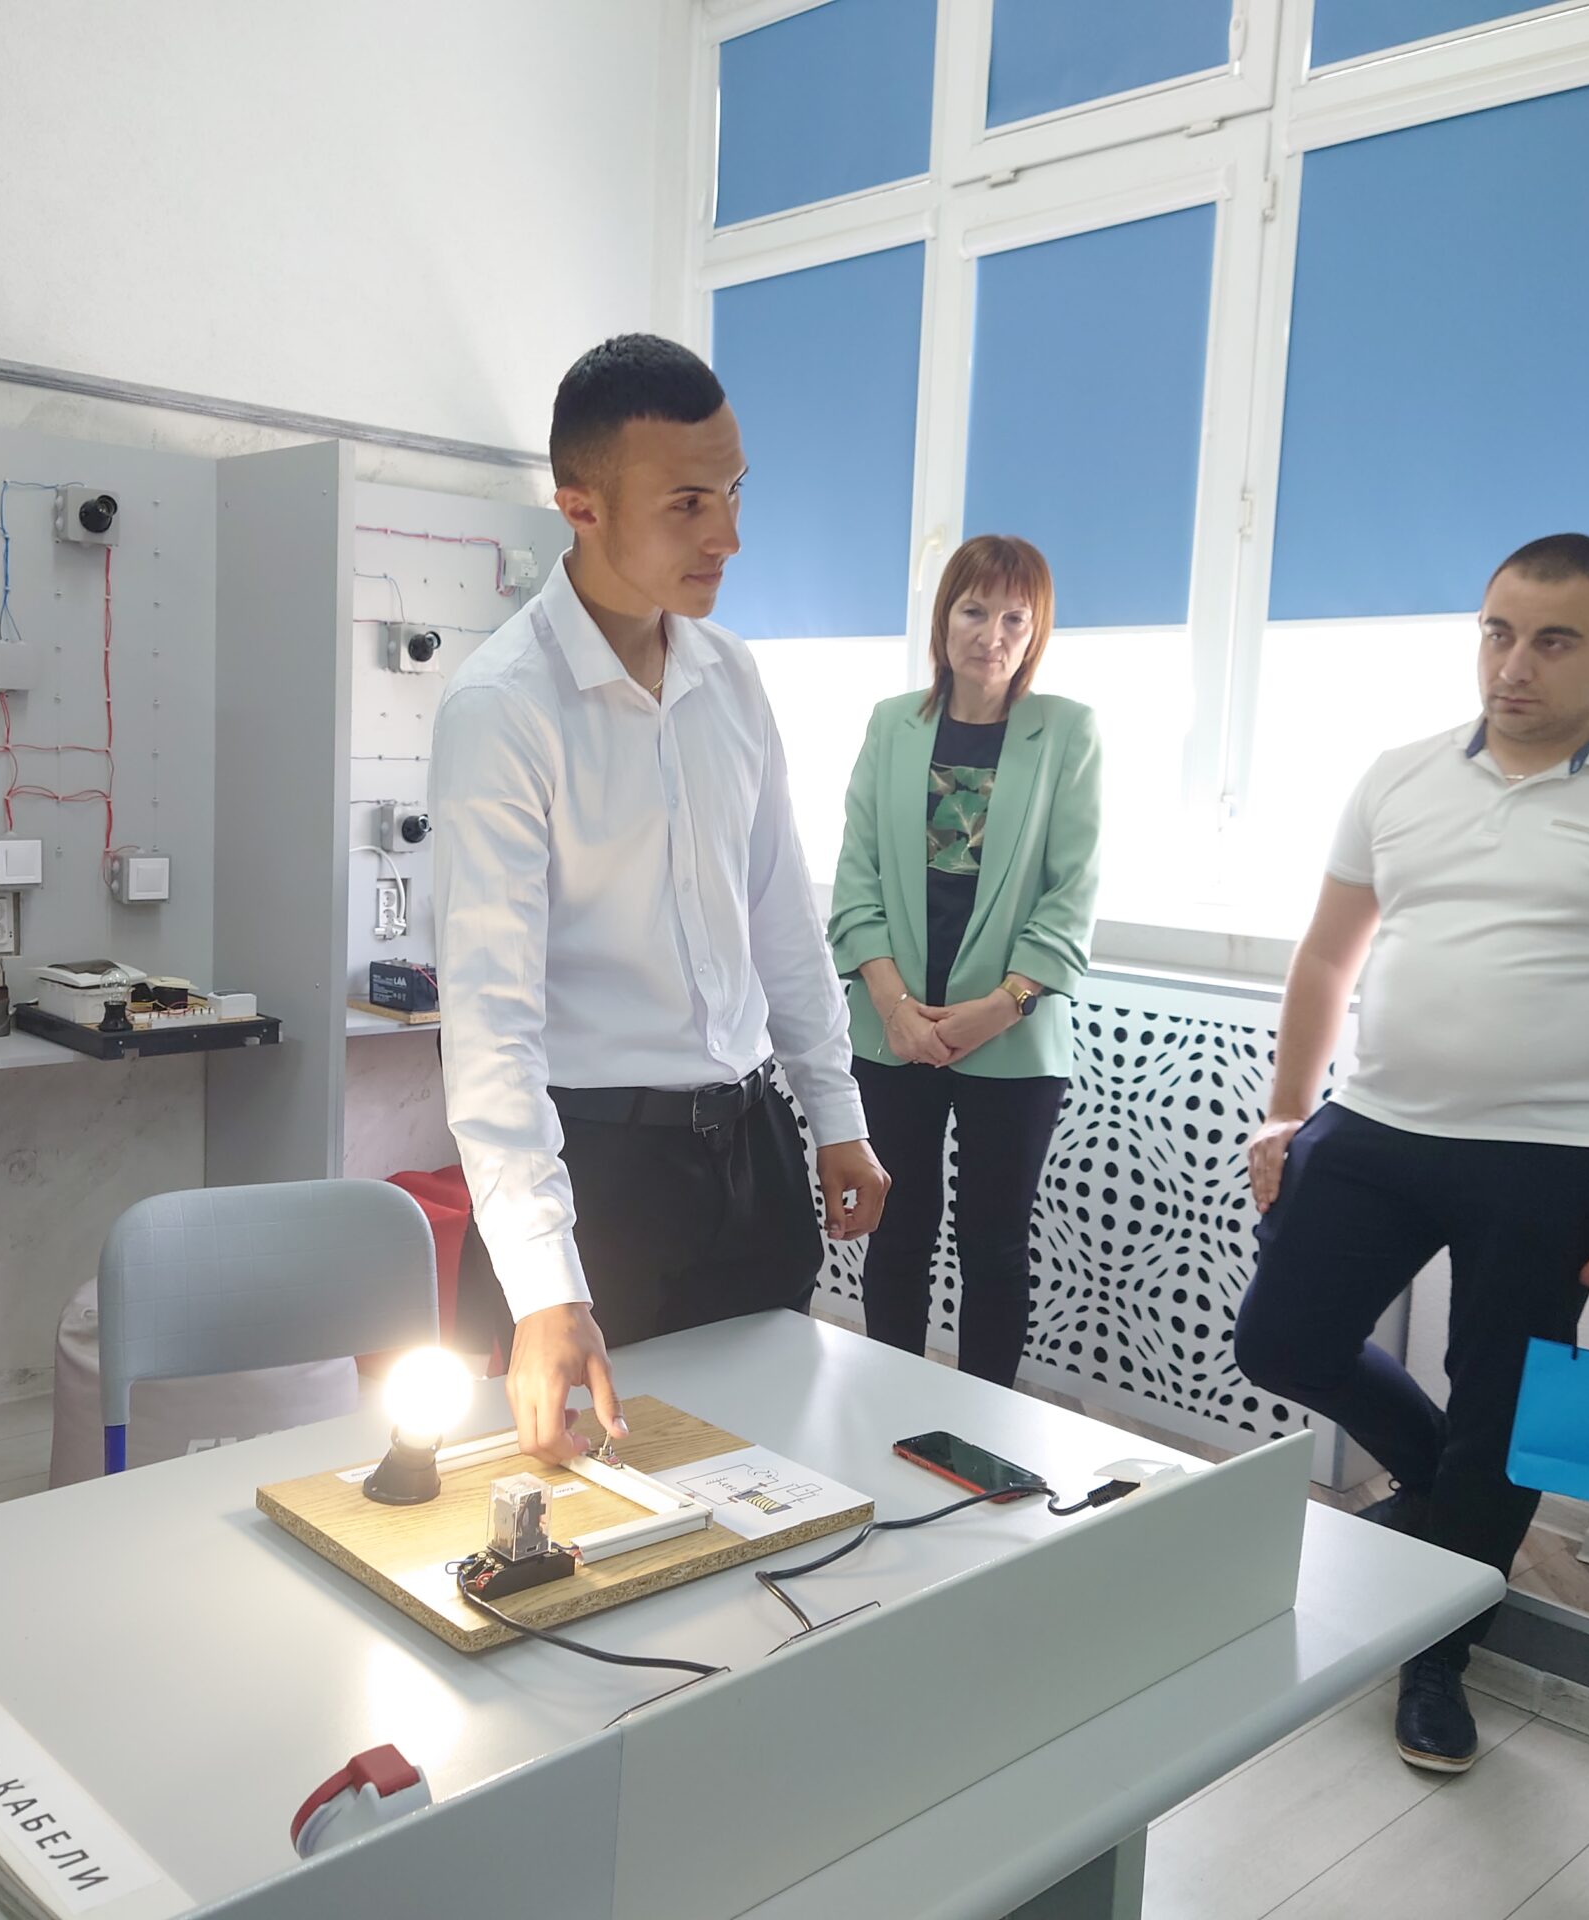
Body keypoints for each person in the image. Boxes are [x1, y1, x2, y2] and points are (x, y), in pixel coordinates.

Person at [1233, 532, 1589, 1773]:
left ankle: (1438, 1655)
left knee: (1505, 1408)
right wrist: (1286, 1112)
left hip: (1558, 1156)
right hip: (1376, 1123)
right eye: (1496, 632)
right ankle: (1444, 1494)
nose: (1513, 665)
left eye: (1553, 640)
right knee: (1282, 1340)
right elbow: (1326, 955)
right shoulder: (1399, 775)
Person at [432, 333, 891, 1467]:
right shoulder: (504, 709)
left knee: (769, 1472)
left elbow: (780, 919)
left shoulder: (731, 676)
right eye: (687, 503)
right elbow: (490, 1029)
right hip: (598, 1177)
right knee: (583, 1508)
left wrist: (834, 1115)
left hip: (751, 1153)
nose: (726, 535)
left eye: (734, 492)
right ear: (580, 506)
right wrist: (545, 1283)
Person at [826, 535, 1101, 1387]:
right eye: (975, 610)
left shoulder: (1066, 732)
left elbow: (1072, 894)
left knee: (995, 1245)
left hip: (1012, 1039)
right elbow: (856, 881)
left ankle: (984, 1426)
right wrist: (895, 1008)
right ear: (943, 619)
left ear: (1037, 630)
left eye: (1015, 617)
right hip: (894, 1032)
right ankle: (888, 1409)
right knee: (898, 1233)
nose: (992, 634)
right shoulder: (892, 724)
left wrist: (1001, 1005)